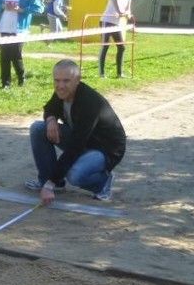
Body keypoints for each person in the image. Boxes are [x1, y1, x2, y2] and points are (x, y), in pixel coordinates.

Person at [24, 59, 126, 204]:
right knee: (38, 128)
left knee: (74, 175)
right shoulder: (62, 92)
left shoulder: (89, 102)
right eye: (57, 80)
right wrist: (51, 120)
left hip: (105, 149)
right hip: (83, 140)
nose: (60, 86)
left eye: (66, 81)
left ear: (77, 80)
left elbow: (74, 147)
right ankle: (51, 182)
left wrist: (49, 185)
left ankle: (103, 182)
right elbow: (49, 108)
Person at [99, 0, 133, 79]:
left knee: (121, 47)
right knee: (105, 46)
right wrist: (124, 14)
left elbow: (128, 10)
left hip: (116, 23)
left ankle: (119, 73)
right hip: (106, 21)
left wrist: (128, 14)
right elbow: (118, 10)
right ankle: (101, 73)